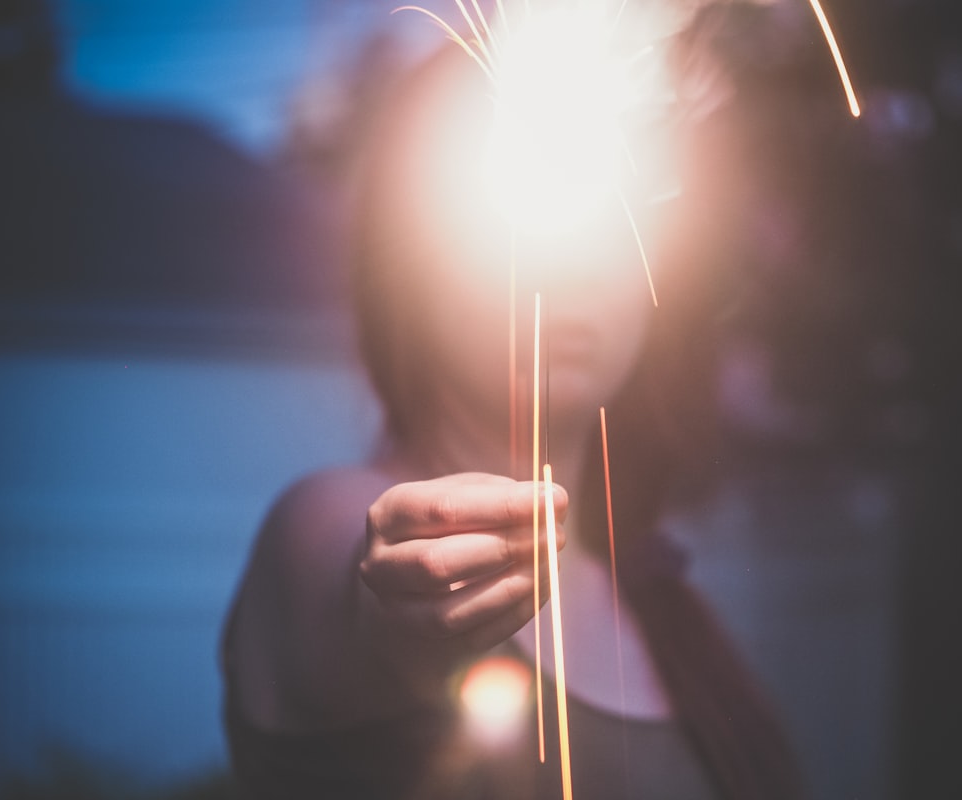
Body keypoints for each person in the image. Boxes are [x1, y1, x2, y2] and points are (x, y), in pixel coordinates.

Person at [221, 20, 806, 800]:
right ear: (412, 261)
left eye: (619, 218)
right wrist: (396, 620)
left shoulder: (661, 600)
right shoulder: (323, 523)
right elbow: (358, 594)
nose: (577, 266)